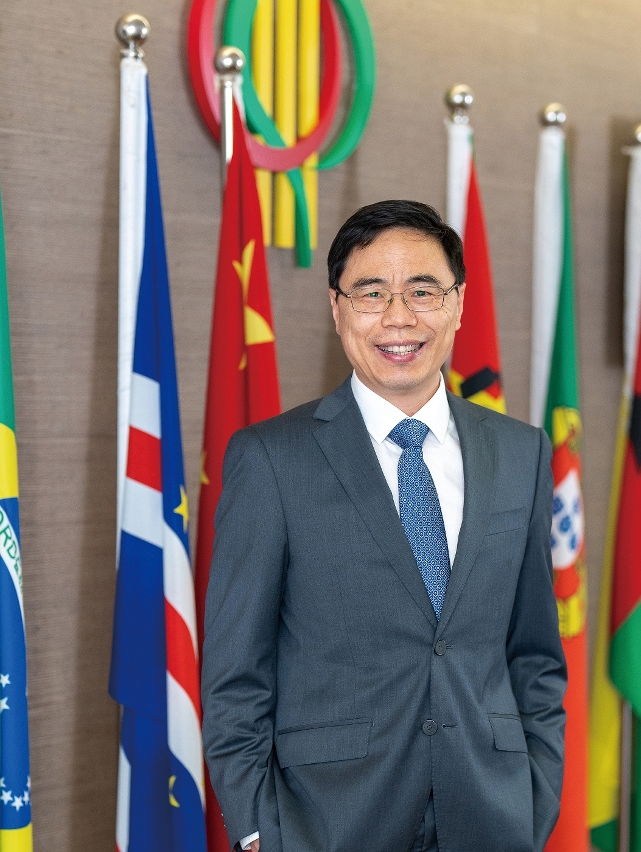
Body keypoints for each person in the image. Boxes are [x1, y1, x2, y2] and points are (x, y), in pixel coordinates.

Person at [201, 200, 566, 852]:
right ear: (337, 308)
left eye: (423, 291)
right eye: (371, 293)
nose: (399, 317)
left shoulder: (522, 453)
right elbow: (236, 673)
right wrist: (258, 828)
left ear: (458, 303)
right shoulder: (270, 459)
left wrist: (536, 796)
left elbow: (534, 652)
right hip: (325, 822)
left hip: (493, 815)